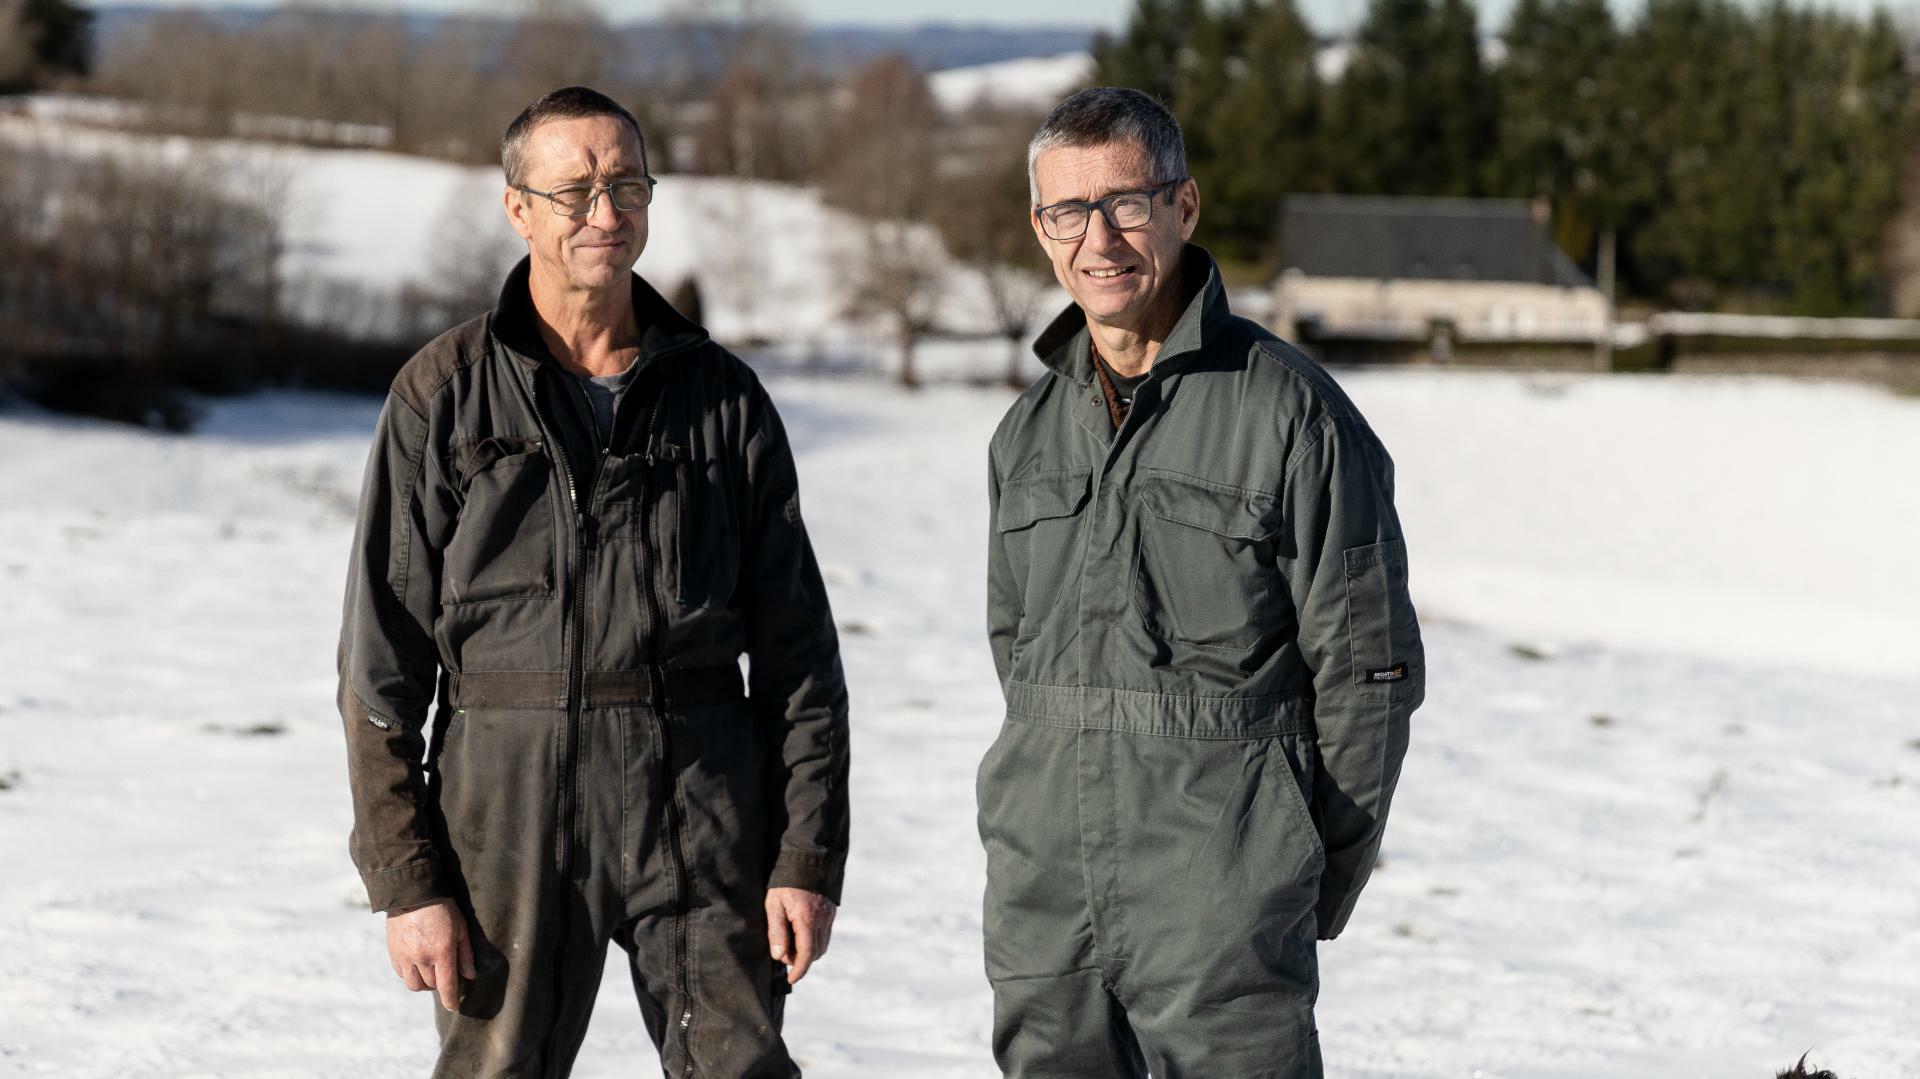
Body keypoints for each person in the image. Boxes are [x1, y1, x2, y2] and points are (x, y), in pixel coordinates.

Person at [336, 86, 849, 1078]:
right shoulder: (443, 395)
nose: (605, 212)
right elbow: (379, 665)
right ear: (518, 208)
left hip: (701, 799)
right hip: (506, 809)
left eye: (627, 185)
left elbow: (801, 659)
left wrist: (806, 854)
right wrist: (407, 877)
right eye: (574, 191)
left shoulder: (723, 400)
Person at [978, 87, 1424, 1077]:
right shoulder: (1026, 434)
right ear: (1041, 230)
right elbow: (1019, 657)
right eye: (1067, 211)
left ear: (1183, 207)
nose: (1099, 240)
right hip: (1045, 907)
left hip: (1221, 906)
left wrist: (1295, 875)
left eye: (1126, 204)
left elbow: (1370, 673)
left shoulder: (1293, 417)